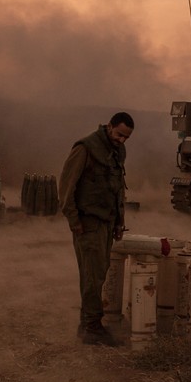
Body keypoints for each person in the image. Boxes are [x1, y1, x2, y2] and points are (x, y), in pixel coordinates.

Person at [59, 112, 134, 346]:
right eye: (119, 134)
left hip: (107, 222)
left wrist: (119, 221)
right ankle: (91, 326)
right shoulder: (86, 147)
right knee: (92, 275)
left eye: (126, 137)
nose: (122, 140)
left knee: (100, 272)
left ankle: (87, 325)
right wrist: (75, 222)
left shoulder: (118, 151)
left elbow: (118, 188)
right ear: (109, 126)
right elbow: (66, 187)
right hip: (88, 223)